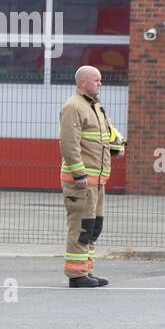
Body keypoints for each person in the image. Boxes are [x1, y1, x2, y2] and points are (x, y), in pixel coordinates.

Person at [59, 65, 112, 287]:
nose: (100, 84)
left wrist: (117, 145)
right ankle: (76, 275)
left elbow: (105, 135)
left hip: (97, 181)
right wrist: (79, 172)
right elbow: (69, 143)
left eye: (100, 80)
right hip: (81, 181)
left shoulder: (95, 106)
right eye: (96, 80)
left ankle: (85, 270)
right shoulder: (74, 107)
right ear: (82, 83)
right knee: (81, 227)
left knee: (92, 227)